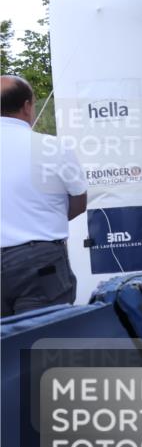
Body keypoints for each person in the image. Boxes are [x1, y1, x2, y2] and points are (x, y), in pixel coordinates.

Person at [1, 76, 88, 317]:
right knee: (43, 345)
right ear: (28, 106)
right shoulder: (53, 147)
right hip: (39, 263)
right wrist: (43, 220)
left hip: (36, 261)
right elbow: (79, 202)